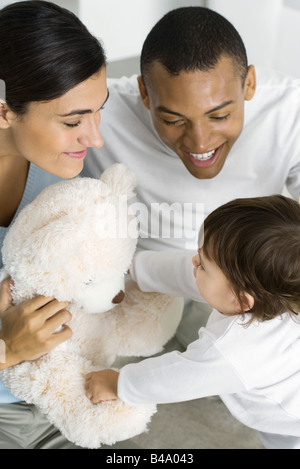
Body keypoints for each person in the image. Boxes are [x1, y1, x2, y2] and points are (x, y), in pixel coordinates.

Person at [81, 6, 300, 345]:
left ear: (250, 84)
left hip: (244, 292)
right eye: (173, 120)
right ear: (144, 93)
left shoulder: (289, 110)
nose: (200, 142)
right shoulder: (96, 111)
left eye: (220, 115)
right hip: (129, 289)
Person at [85, 194, 300, 450]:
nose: (194, 261)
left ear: (241, 302)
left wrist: (118, 384)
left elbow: (178, 378)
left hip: (289, 419)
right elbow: (186, 273)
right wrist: (130, 266)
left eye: (204, 264)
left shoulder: (231, 350)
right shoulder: (274, 285)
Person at [0, 0, 107, 449]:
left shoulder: (59, 170)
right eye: (72, 121)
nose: (95, 137)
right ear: (5, 111)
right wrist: (7, 348)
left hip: (65, 395)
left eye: (96, 110)